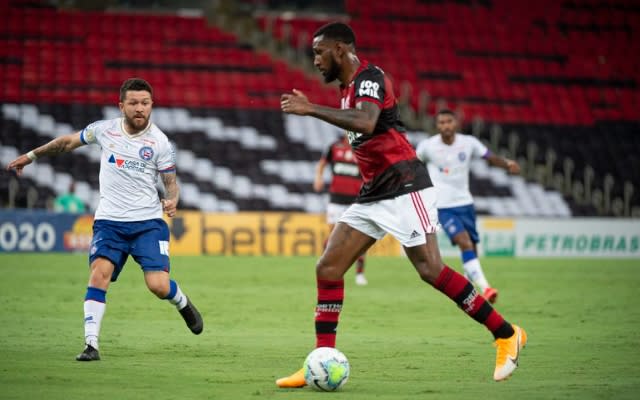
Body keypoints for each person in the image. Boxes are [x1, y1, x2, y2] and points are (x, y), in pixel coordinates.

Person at [277, 22, 527, 385]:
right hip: (374, 192)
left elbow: (366, 121)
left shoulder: (369, 78)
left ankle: (506, 334)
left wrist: (310, 108)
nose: (314, 60)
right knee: (328, 267)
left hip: (406, 185)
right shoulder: (347, 88)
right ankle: (321, 357)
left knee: (430, 270)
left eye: (319, 52)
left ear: (340, 50)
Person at [6, 78, 203, 362]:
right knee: (99, 274)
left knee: (158, 285)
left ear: (152, 106)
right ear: (121, 105)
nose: (139, 109)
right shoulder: (104, 130)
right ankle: (91, 345)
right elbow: (66, 143)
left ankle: (182, 302)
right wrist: (31, 155)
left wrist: (173, 199)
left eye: (145, 103)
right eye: (133, 103)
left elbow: (171, 183)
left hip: (148, 223)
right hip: (109, 222)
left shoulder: (160, 142)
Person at [416, 109, 521, 304]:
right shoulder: (428, 146)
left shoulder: (469, 143)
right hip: (443, 207)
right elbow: (413, 164)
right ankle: (486, 288)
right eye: (441, 122)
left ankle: (466, 284)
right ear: (437, 126)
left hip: (465, 203)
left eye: (449, 121)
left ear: (455, 123)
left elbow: (489, 157)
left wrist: (507, 164)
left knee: (471, 246)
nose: (445, 125)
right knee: (464, 242)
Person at [314, 135, 368, 285]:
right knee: (333, 237)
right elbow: (322, 163)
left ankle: (359, 273)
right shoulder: (334, 147)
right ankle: (324, 266)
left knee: (360, 238)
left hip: (355, 201)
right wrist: (318, 178)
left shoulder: (363, 149)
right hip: (336, 200)